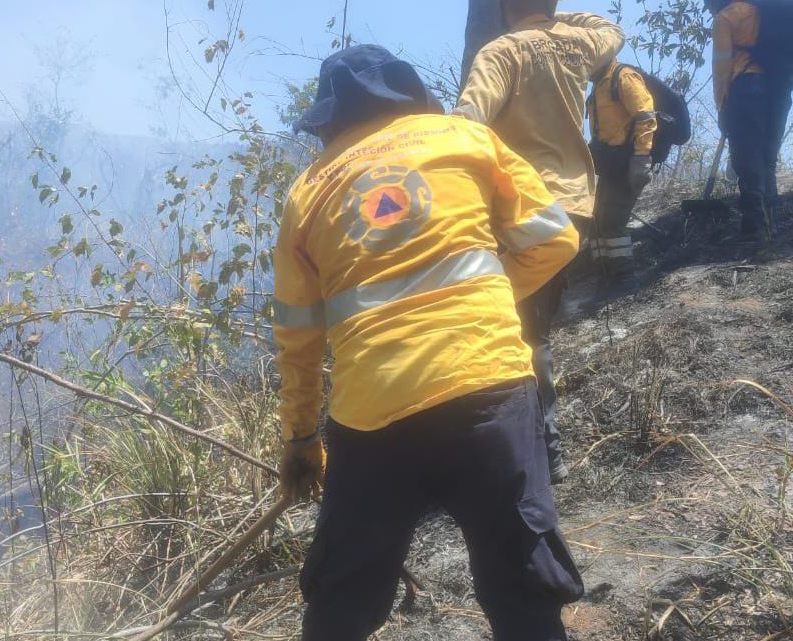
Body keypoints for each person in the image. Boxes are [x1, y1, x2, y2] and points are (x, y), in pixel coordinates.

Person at [274, 44, 584, 641]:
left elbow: (298, 338)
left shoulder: (307, 192)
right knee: (524, 591)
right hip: (487, 387)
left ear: (328, 117)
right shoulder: (463, 139)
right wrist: (488, 289)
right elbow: (555, 238)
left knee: (341, 603)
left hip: (372, 417)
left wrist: (300, 439)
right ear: (409, 94)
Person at [455, 0, 625, 483]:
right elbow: (612, 28)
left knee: (517, 329)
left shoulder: (502, 52)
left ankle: (541, 450)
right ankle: (535, 445)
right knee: (534, 327)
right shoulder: (581, 44)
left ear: (505, 8)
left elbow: (468, 122)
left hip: (522, 205)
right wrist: (555, 21)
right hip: (574, 208)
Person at [708, 0, 793, 242]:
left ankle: (755, 225)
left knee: (746, 157)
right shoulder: (765, 9)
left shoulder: (725, 18)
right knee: (767, 156)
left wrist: (721, 105)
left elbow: (721, 66)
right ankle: (769, 222)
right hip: (778, 87)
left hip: (745, 86)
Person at [587, 58, 657, 294]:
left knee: (614, 220)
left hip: (627, 159)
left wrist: (641, 158)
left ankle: (625, 279)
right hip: (608, 163)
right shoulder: (599, 85)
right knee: (597, 221)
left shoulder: (623, 77)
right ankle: (604, 275)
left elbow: (646, 116)